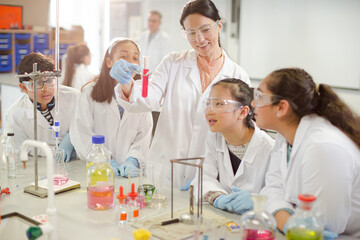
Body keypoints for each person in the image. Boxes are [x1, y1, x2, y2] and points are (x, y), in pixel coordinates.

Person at [110, 0, 250, 188]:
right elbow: (148, 97)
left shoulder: (237, 75)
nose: (199, 39)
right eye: (191, 33)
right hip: (166, 170)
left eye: (205, 30)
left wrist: (213, 176)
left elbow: (241, 131)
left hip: (209, 175)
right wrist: (127, 84)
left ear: (219, 26)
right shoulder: (173, 63)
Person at [253, 68, 360, 237]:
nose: (253, 104)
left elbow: (325, 224)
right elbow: (272, 189)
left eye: (259, 97)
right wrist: (290, 223)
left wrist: (289, 220)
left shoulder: (323, 146)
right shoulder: (285, 136)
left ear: (281, 107)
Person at [70, 38, 153, 177]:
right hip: (98, 172)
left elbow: (144, 135)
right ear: (109, 62)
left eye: (135, 58)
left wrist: (133, 160)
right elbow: (81, 133)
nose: (130, 62)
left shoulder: (142, 97)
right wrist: (105, 160)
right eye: (123, 56)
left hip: (130, 175)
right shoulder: (88, 93)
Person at [191, 78, 274, 214]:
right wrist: (217, 198)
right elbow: (205, 177)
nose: (210, 111)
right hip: (224, 219)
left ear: (242, 112)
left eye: (218, 104)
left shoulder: (269, 149)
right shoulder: (214, 138)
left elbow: (277, 195)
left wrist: (256, 200)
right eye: (208, 103)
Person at [5, 52, 78, 162]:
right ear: (23, 88)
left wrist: (72, 138)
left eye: (49, 81)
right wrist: (54, 152)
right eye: (38, 83)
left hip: (77, 160)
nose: (46, 89)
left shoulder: (74, 97)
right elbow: (22, 148)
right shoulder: (15, 114)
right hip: (41, 165)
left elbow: (87, 126)